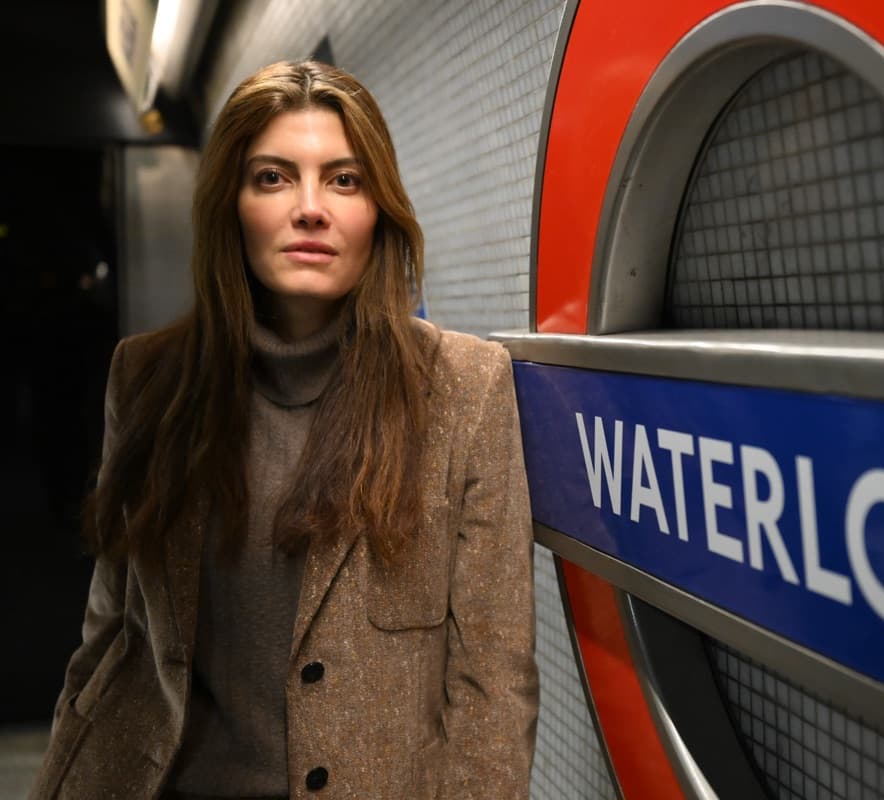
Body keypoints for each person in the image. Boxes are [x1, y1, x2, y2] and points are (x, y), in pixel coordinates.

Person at [30, 60, 538, 799]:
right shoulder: (147, 380)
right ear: (231, 204)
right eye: (272, 177)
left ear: (379, 208)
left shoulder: (463, 387)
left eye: (344, 179)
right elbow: (110, 630)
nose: (310, 208)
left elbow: (493, 678)